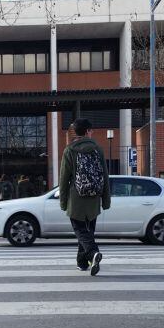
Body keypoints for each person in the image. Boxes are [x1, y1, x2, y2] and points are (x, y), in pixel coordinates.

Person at [59, 118, 110, 276]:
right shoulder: (98, 149)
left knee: (80, 231)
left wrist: (63, 202)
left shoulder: (69, 150)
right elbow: (105, 176)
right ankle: (82, 263)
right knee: (88, 232)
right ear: (88, 131)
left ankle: (93, 253)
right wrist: (106, 200)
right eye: (91, 130)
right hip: (94, 198)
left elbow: (64, 179)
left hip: (76, 199)